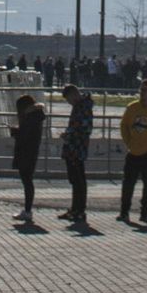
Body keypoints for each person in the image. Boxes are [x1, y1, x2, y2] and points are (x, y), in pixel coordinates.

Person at [118, 79, 147, 223]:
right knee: (128, 184)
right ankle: (124, 212)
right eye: (141, 90)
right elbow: (124, 126)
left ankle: (144, 212)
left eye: (145, 90)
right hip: (133, 152)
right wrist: (129, 142)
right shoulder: (132, 107)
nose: (142, 93)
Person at [59, 84, 93, 223]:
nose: (69, 102)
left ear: (74, 94)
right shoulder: (80, 106)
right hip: (75, 147)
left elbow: (84, 128)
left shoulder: (83, 108)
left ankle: (79, 210)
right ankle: (75, 209)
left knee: (78, 180)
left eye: (69, 99)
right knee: (75, 179)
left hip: (77, 147)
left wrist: (69, 135)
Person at [10, 93, 44, 222]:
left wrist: (15, 132)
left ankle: (28, 210)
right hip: (31, 151)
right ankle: (27, 210)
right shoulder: (36, 116)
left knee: (27, 180)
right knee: (27, 180)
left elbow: (25, 135)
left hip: (26, 152)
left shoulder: (30, 118)